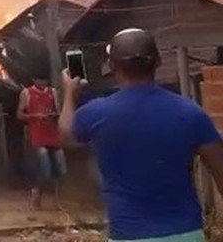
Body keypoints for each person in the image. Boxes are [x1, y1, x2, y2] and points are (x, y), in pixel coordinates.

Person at [59, 28, 223, 242]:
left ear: (110, 66)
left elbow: (66, 138)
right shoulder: (191, 113)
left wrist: (70, 93)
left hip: (129, 235)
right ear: (158, 62)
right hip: (186, 233)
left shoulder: (96, 113)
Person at [17, 73, 66, 209]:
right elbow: (19, 114)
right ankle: (36, 193)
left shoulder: (53, 92)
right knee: (44, 168)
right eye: (40, 78)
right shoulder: (26, 93)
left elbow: (59, 111)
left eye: (45, 79)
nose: (43, 82)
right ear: (34, 79)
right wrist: (35, 116)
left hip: (53, 135)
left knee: (60, 168)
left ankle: (57, 201)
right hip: (37, 136)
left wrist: (54, 116)